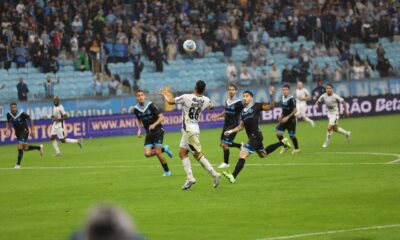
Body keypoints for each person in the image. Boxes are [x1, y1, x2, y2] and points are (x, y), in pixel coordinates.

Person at [160, 80, 221, 190]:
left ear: (195, 87)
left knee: (197, 155)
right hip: (192, 129)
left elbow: (169, 101)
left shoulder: (186, 97)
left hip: (189, 131)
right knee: (182, 153)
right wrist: (207, 105)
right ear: (204, 90)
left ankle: (214, 174)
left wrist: (164, 94)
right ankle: (190, 177)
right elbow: (212, 106)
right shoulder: (206, 100)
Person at [222, 88, 290, 183]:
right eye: (244, 96)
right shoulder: (243, 112)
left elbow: (271, 107)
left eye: (247, 96)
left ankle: (233, 176)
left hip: (256, 136)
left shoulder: (257, 106)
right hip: (253, 137)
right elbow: (241, 126)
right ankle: (282, 143)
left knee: (243, 154)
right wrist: (231, 131)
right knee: (263, 154)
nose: (245, 98)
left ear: (251, 98)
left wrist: (271, 96)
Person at [133, 90, 173, 177]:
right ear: (136, 98)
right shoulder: (136, 109)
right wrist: (139, 130)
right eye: (138, 96)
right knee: (147, 154)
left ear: (145, 96)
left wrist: (154, 124)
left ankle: (167, 172)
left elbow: (162, 117)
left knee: (158, 152)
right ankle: (164, 149)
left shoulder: (150, 105)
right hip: (149, 132)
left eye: (142, 95)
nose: (140, 97)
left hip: (158, 129)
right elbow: (139, 119)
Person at [211, 84, 244, 169]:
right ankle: (240, 146)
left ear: (236, 91)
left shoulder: (239, 103)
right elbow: (226, 112)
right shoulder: (227, 101)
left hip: (234, 125)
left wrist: (243, 122)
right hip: (226, 125)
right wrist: (217, 116)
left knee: (224, 144)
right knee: (222, 144)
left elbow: (244, 111)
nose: (231, 91)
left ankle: (226, 163)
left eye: (233, 89)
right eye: (229, 90)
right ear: (228, 91)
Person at [5, 103, 43, 169]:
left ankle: (18, 165)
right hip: (17, 132)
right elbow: (8, 121)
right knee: (25, 148)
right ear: (10, 108)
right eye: (12, 107)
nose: (14, 109)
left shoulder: (21, 114)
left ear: (16, 108)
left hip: (24, 131)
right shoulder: (8, 114)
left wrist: (33, 129)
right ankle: (39, 147)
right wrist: (7, 129)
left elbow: (31, 119)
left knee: (20, 146)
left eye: (15, 107)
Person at [275, 85, 300, 154]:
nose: (285, 91)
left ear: (289, 91)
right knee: (278, 133)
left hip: (291, 120)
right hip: (284, 119)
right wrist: (281, 115)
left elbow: (295, 110)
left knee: (292, 136)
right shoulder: (282, 98)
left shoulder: (292, 99)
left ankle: (297, 148)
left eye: (286, 89)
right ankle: (285, 146)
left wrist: (287, 117)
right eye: (284, 90)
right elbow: (284, 110)